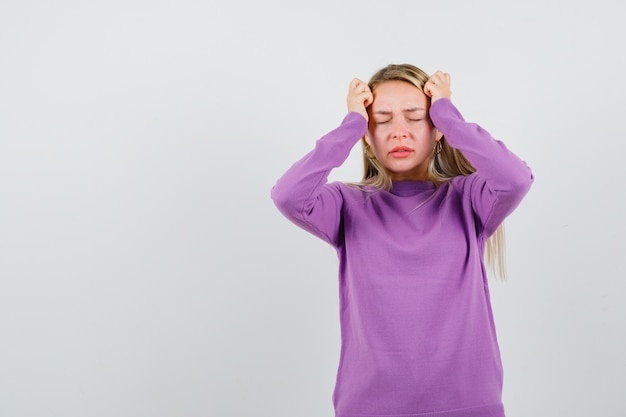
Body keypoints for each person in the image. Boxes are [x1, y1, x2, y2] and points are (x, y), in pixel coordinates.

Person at [270, 64, 533, 417]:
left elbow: (515, 179)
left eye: (414, 117)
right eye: (381, 120)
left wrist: (447, 115)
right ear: (366, 132)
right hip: (369, 407)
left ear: (436, 128)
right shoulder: (347, 204)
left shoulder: (468, 198)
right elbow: (289, 196)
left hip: (468, 404)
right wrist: (350, 125)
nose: (398, 132)